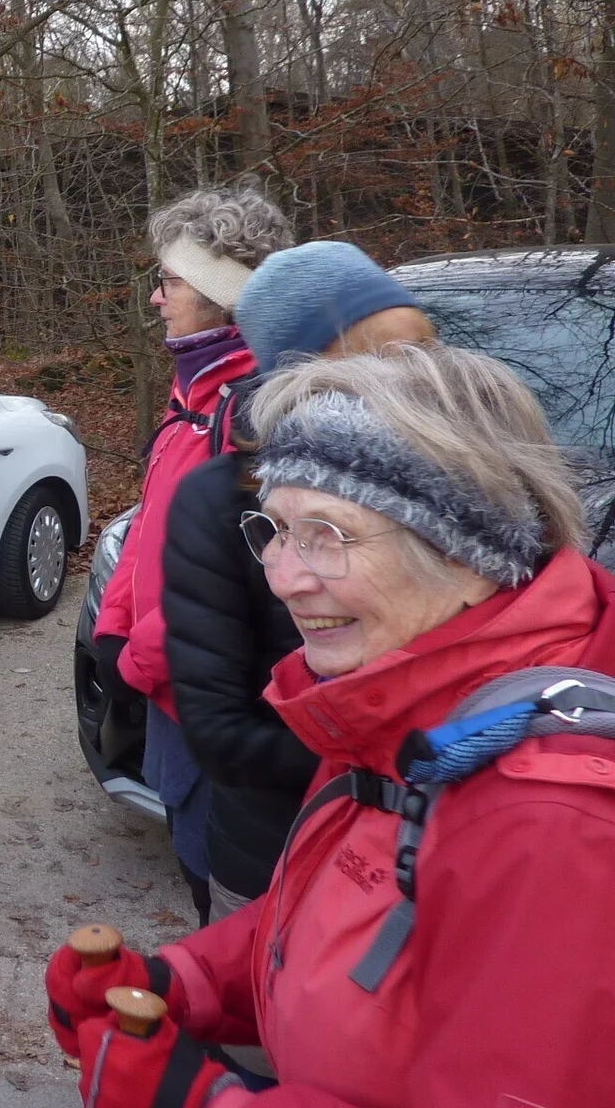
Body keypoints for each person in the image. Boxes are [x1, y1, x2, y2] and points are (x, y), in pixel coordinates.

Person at [48, 345, 615, 1107]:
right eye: (277, 528)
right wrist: (180, 982)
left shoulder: (553, 820)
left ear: (463, 550)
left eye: (330, 534)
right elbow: (338, 925)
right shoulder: (395, 705)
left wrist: (206, 1102)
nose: (283, 577)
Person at [160, 242, 436, 1083]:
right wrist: (396, 764)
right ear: (307, 367)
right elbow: (218, 728)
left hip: (437, 870)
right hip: (281, 853)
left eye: (428, 347)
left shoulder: (461, 493)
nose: (422, 374)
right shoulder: (225, 506)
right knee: (294, 1057)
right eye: (390, 352)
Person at [93, 184, 293, 925]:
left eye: (171, 281)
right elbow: (150, 532)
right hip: (177, 693)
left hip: (221, 700)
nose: (155, 298)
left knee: (234, 902)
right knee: (195, 865)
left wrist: (138, 657)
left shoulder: (252, 411)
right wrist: (115, 627)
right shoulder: (190, 399)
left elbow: (244, 583)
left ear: (220, 292)